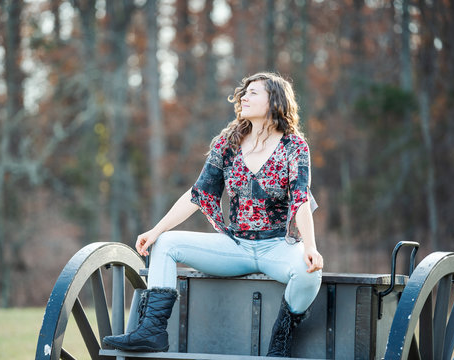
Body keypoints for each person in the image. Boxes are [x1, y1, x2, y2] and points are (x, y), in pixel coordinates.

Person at [103, 72, 324, 357]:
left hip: (277, 247)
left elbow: (300, 199)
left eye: (253, 92)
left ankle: (281, 339)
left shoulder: (294, 147)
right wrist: (155, 231)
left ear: (275, 101)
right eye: (244, 92)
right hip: (236, 246)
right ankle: (152, 331)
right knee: (166, 244)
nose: (244, 96)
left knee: (310, 274)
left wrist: (310, 247)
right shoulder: (228, 143)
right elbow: (198, 194)